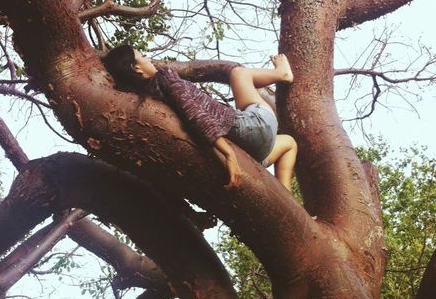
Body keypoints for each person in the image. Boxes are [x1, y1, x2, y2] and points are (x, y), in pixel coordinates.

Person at [103, 45, 297, 191]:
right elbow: (195, 114)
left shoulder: (151, 96)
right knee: (238, 73)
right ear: (136, 68)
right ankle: (282, 73)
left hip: (252, 150)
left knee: (289, 143)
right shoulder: (165, 78)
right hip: (253, 127)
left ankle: (288, 201)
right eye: (142, 56)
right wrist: (228, 154)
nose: (148, 58)